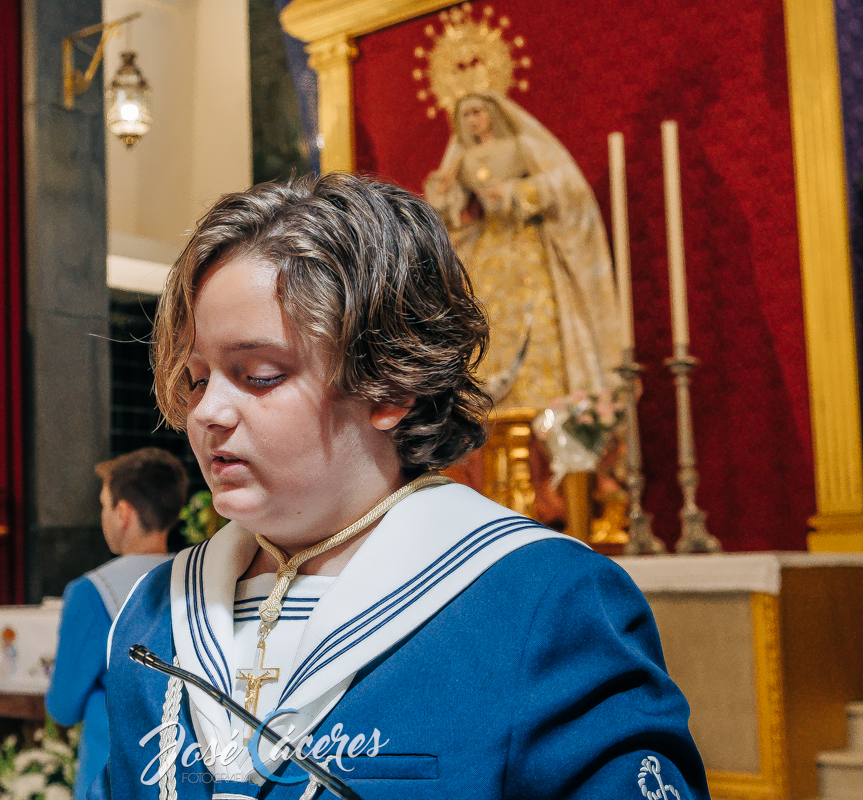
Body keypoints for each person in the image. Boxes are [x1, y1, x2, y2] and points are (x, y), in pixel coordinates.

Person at [93, 174, 708, 798]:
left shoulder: (537, 601)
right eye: (197, 379)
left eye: (258, 375)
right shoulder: (153, 615)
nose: (205, 413)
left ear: (389, 385)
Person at [423, 92, 620, 410]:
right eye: (466, 116)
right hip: (488, 248)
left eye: (477, 112)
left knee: (534, 313)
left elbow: (564, 184)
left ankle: (544, 402)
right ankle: (489, 408)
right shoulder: (463, 159)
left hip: (527, 243)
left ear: (493, 113)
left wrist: (514, 191)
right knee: (484, 321)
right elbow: (454, 211)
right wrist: (443, 194)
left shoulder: (520, 146)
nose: (473, 120)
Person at [45, 447, 188, 797]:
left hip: (114, 769)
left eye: (104, 504)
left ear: (122, 513)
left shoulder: (91, 592)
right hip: (188, 762)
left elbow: (63, 706)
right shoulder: (198, 578)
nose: (103, 515)